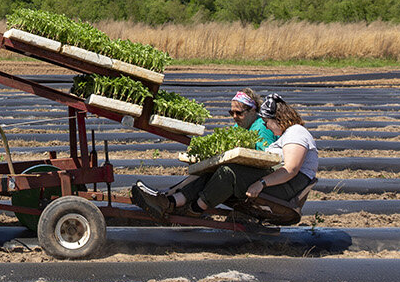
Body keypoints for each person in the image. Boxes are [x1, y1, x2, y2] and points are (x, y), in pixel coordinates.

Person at [132, 93, 317, 220]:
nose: (267, 126)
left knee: (227, 173)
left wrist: (261, 183)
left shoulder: (297, 132)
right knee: (214, 171)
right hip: (277, 181)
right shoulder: (287, 134)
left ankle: (194, 210)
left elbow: (291, 169)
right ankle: (170, 202)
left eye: (267, 122)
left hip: (286, 187)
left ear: (279, 119)